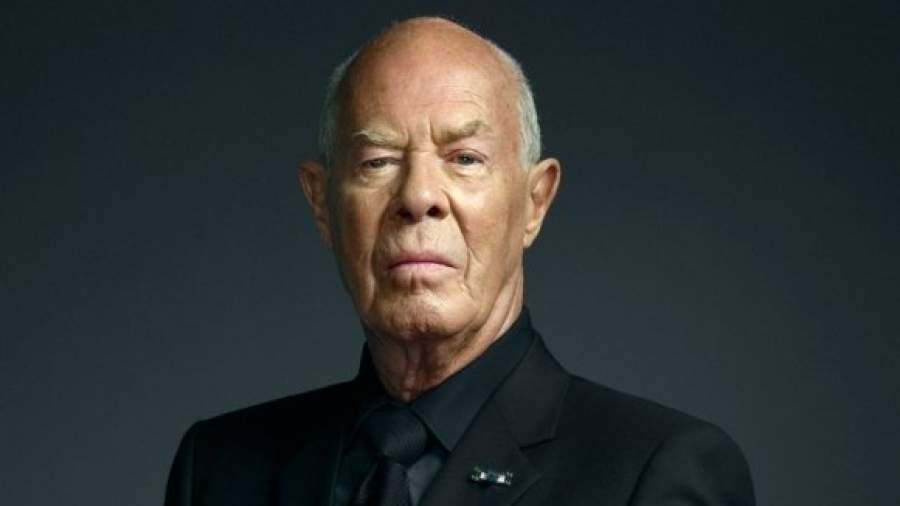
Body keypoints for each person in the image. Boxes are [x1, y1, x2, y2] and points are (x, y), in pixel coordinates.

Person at [164, 16, 755, 506]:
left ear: (535, 201)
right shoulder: (219, 471)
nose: (419, 196)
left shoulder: (656, 472)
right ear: (322, 204)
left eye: (465, 158)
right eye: (377, 162)